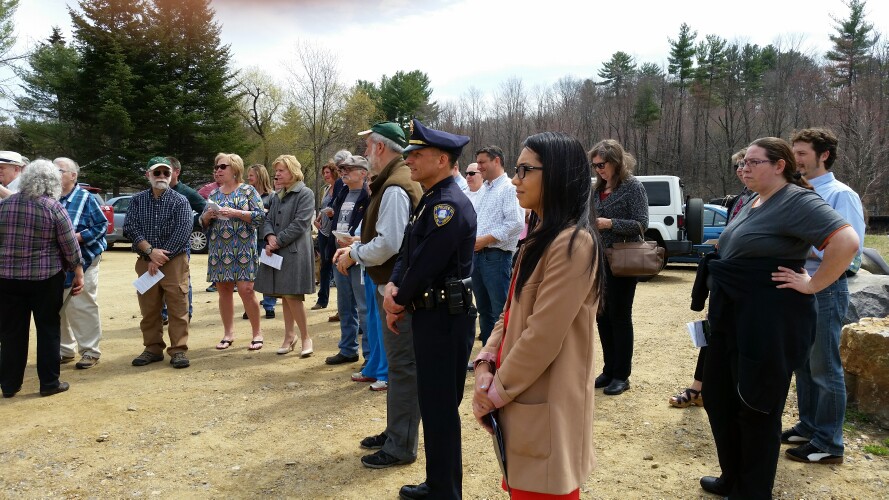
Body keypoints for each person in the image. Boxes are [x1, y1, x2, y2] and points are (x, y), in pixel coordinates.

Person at [699, 137, 859, 498]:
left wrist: (812, 284)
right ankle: (733, 477)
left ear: (779, 165)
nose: (744, 169)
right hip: (733, 314)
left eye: (753, 163)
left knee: (755, 403)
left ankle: (752, 490)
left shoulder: (797, 200)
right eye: (742, 164)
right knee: (719, 396)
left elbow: (846, 242)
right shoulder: (753, 201)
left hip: (767, 318)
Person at [472, 131, 605, 498]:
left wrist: (495, 393)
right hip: (521, 399)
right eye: (516, 169)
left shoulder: (573, 242)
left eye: (525, 170)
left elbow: (542, 336)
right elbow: (510, 313)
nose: (515, 179)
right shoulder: (540, 234)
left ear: (559, 174)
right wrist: (485, 361)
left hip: (544, 405)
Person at [382, 119, 476, 500]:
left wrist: (397, 298)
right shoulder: (432, 202)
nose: (410, 162)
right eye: (408, 155)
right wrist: (395, 288)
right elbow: (408, 253)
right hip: (430, 315)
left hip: (445, 318)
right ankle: (439, 483)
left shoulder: (448, 207)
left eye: (417, 155)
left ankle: (445, 490)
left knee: (440, 409)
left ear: (442, 159)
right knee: (434, 405)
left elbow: (427, 264)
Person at [334, 121, 424, 469]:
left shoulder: (396, 187)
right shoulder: (393, 182)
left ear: (381, 148)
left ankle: (401, 444)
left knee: (402, 367)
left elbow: (391, 243)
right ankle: (395, 433)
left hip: (398, 291)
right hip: (393, 287)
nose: (366, 154)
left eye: (369, 147)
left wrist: (355, 253)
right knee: (400, 366)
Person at [781, 128, 865, 464]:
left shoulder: (841, 194)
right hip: (800, 284)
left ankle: (830, 443)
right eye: (794, 152)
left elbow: (852, 248)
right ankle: (810, 425)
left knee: (825, 367)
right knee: (803, 362)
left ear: (824, 155)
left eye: (801, 153)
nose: (795, 159)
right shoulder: (800, 191)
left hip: (826, 287)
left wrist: (803, 245)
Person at [669, 147, 750, 408]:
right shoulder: (742, 198)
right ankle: (699, 387)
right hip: (725, 278)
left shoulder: (769, 198)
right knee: (711, 332)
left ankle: (713, 391)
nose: (741, 170)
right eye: (738, 165)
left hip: (744, 284)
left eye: (747, 164)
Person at [0, 159, 83, 397]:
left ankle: (9, 385)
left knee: (11, 332)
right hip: (45, 279)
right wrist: (78, 272)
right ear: (52, 183)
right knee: (48, 329)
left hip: (6, 279)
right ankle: (49, 383)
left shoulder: (5, 205)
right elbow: (69, 246)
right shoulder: (53, 207)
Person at [590, 139, 649, 396]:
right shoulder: (596, 189)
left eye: (602, 165)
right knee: (601, 315)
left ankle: (622, 375)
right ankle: (608, 369)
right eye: (595, 166)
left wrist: (609, 223)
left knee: (620, 317)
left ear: (616, 161)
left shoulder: (633, 186)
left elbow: (641, 224)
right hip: (597, 261)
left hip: (622, 261)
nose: (599, 170)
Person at [123, 157, 194, 369]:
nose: (162, 177)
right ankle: (152, 349)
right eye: (157, 173)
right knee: (149, 308)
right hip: (146, 261)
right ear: (148, 175)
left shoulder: (181, 201)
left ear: (172, 175)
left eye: (166, 173)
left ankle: (178, 350)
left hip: (174, 262)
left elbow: (183, 232)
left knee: (177, 307)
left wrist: (160, 258)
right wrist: (150, 251)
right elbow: (130, 228)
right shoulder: (137, 200)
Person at [201, 153, 266, 351]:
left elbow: (260, 217)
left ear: (235, 169)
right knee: (224, 290)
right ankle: (228, 334)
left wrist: (236, 212)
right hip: (219, 248)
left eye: (222, 167)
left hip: (244, 248)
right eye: (216, 167)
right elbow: (202, 223)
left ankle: (257, 333)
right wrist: (207, 216)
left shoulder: (248, 191)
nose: (217, 170)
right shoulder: (214, 194)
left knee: (246, 290)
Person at [254, 155, 315, 357]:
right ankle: (289, 336)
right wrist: (270, 236)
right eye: (276, 170)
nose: (277, 174)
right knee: (284, 296)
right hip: (277, 251)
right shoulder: (276, 195)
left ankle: (306, 337)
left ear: (293, 171)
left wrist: (276, 241)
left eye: (281, 170)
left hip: (295, 253)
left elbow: (300, 223)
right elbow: (268, 219)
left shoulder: (305, 193)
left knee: (294, 297)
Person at [55, 157, 108, 369]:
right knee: (56, 307)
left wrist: (77, 237)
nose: (55, 174)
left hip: (85, 260)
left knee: (82, 305)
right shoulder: (49, 198)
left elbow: (102, 226)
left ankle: (90, 351)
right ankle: (64, 350)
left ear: (73, 175)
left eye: (59, 171)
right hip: (55, 263)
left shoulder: (86, 198)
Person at [472, 145, 525, 347]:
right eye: (478, 163)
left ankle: (502, 356)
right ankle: (488, 354)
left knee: (499, 311)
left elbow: (516, 223)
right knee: (484, 310)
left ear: (496, 161)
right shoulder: (485, 189)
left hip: (496, 257)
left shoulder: (509, 188)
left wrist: (486, 240)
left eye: (483, 162)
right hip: (479, 256)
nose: (479, 167)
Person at [325, 154, 371, 365]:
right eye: (342, 169)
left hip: (358, 257)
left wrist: (356, 243)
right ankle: (348, 349)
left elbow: (372, 229)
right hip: (339, 253)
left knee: (363, 307)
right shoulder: (342, 191)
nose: (343, 172)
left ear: (363, 172)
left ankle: (370, 355)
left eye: (349, 169)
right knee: (344, 306)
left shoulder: (369, 195)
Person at [161, 156, 207, 324]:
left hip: (180, 245)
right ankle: (163, 314)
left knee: (181, 281)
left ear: (177, 172)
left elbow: (205, 209)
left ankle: (186, 313)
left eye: (167, 170)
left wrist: (190, 223)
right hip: (158, 246)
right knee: (158, 280)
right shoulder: (157, 190)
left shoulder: (187, 193)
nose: (163, 174)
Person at [247, 163, 278, 319]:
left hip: (264, 239)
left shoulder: (272, 196)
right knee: (249, 274)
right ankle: (249, 306)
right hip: (248, 239)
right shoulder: (246, 194)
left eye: (251, 175)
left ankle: (269, 305)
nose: (248, 177)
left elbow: (275, 217)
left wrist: (263, 213)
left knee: (268, 272)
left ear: (259, 176)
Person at [311, 160, 340, 311]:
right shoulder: (326, 189)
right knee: (324, 265)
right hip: (323, 231)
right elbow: (323, 208)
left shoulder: (341, 188)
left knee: (337, 265)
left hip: (335, 232)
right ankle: (322, 300)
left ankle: (341, 307)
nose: (325, 176)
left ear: (335, 172)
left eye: (328, 173)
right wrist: (317, 220)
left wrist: (332, 214)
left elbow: (338, 209)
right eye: (324, 173)